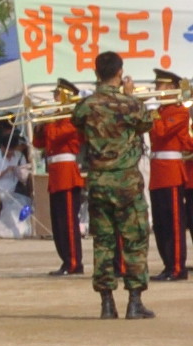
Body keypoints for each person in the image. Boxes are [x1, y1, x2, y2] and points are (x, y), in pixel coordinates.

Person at [72, 51, 155, 320]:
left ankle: (107, 303)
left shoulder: (86, 105)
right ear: (120, 72)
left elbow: (77, 122)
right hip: (126, 181)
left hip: (98, 181)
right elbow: (146, 123)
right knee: (134, 240)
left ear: (96, 74)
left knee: (104, 242)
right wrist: (129, 95)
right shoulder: (130, 104)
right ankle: (134, 301)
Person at [34, 87, 86, 276]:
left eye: (58, 95)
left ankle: (74, 262)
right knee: (58, 222)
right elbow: (39, 143)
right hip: (56, 174)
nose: (54, 99)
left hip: (67, 174)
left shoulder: (73, 118)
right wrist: (39, 125)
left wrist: (46, 123)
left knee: (68, 222)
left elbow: (56, 135)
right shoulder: (56, 119)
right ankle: (65, 260)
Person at [148, 70, 188, 282]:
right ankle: (167, 265)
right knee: (161, 224)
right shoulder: (161, 111)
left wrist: (153, 114)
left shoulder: (179, 112)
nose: (157, 89)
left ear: (172, 87)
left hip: (171, 172)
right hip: (158, 173)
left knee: (173, 223)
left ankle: (177, 267)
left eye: (161, 85)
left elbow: (162, 133)